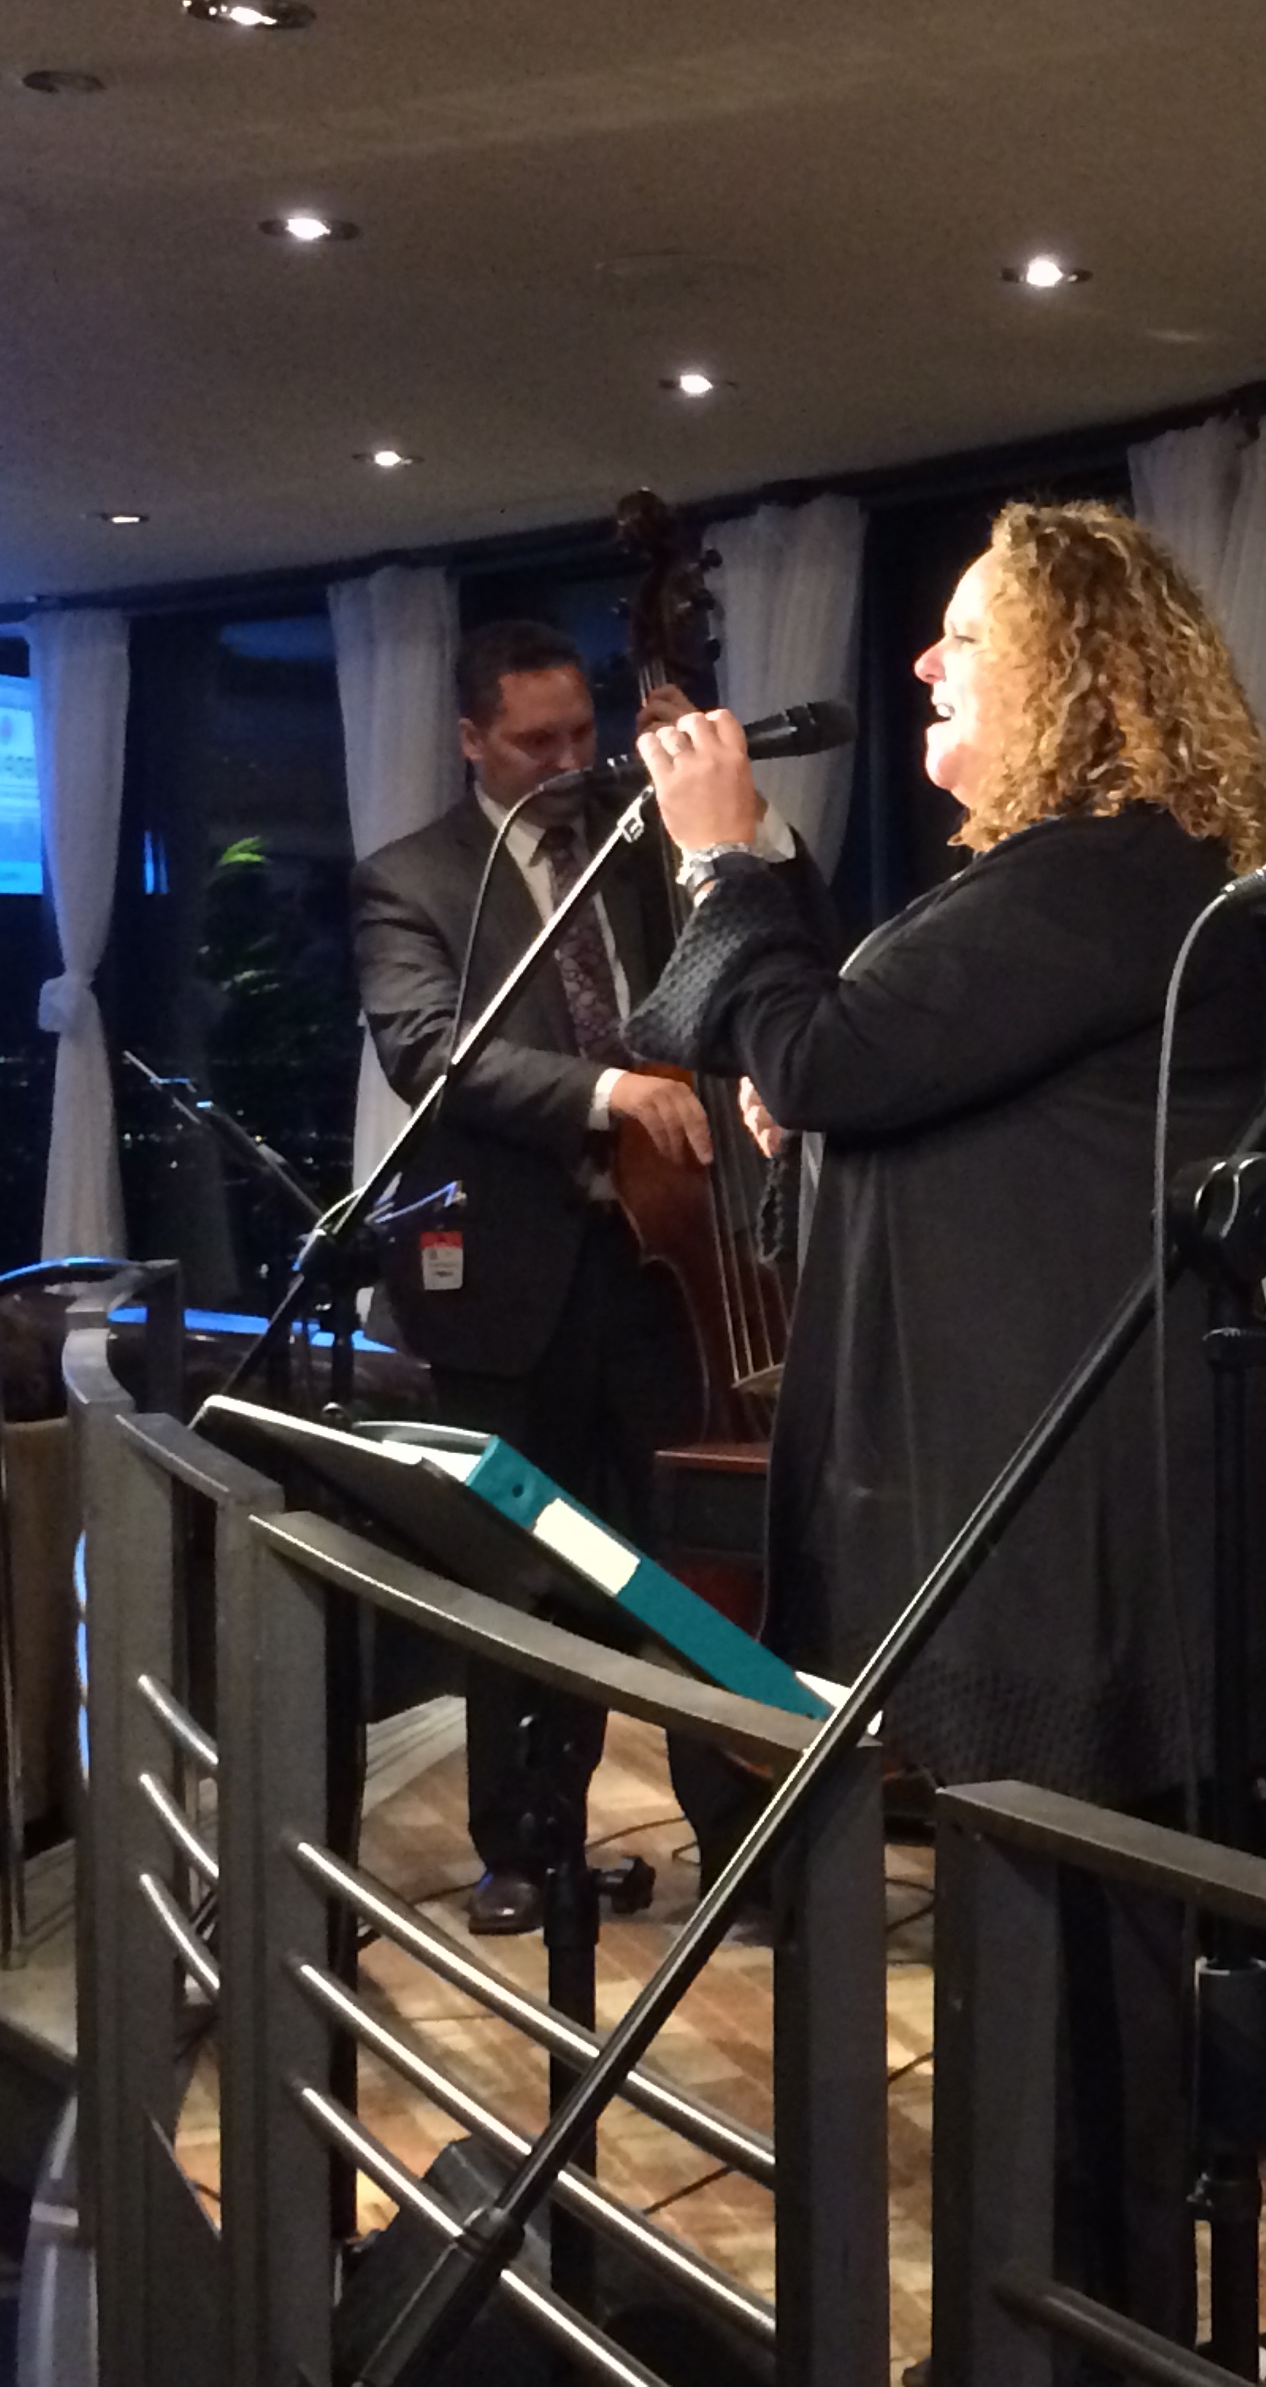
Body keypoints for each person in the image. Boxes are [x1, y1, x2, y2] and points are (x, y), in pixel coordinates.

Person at [627, 500, 1266, 2343]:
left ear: (1077, 672)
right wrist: (820, 1089)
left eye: (969, 635)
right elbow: (885, 1079)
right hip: (1036, 1531)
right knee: (1046, 2032)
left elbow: (837, 1049)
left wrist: (728, 861)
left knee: (1084, 2042)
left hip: (1071, 1551)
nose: (926, 662)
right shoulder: (1077, 888)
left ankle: (1078, 2350)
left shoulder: (1111, 874)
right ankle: (1038, 2342)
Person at [353, 619, 816, 1936]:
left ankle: (741, 1846)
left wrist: (729, 808)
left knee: (696, 1561)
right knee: (523, 1571)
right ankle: (525, 1848)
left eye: (580, 735)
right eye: (534, 744)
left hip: (679, 1272)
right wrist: (610, 1093)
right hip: (510, 1288)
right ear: (471, 739)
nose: (568, 764)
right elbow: (430, 1049)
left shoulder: (646, 836)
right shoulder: (411, 878)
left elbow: (772, 933)